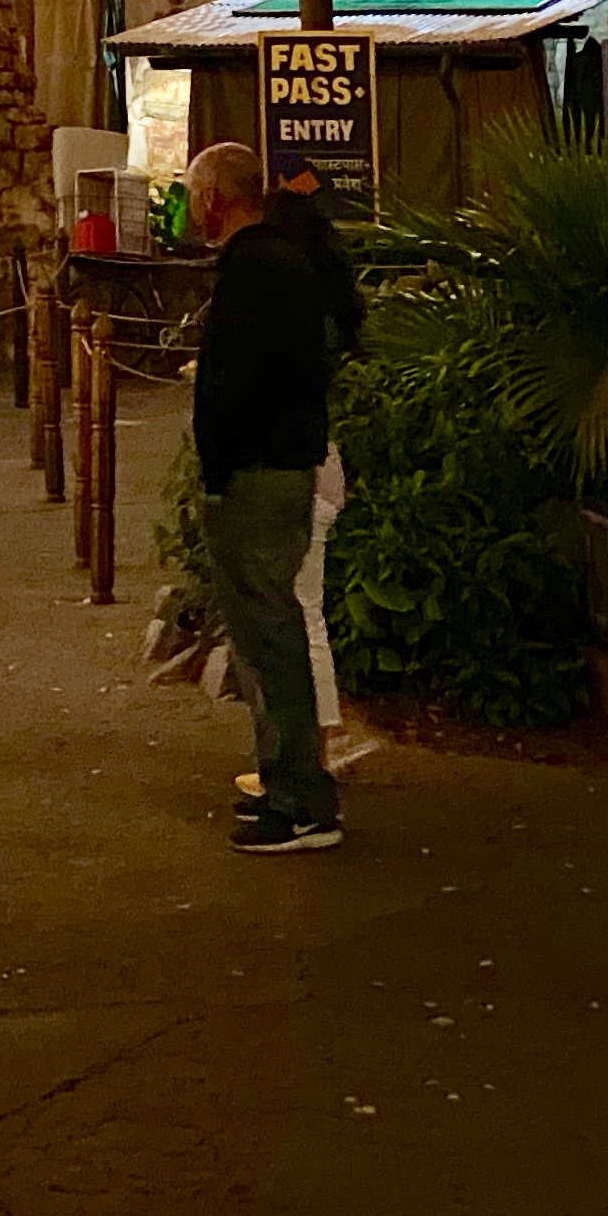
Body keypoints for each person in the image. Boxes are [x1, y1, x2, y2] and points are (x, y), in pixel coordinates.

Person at [183, 141, 350, 854]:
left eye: (194, 193)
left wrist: (219, 466)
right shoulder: (286, 260)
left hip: (258, 469)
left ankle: (299, 797)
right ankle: (288, 779)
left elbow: (237, 382)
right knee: (268, 632)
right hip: (282, 459)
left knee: (270, 634)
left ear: (216, 199)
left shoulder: (252, 270)